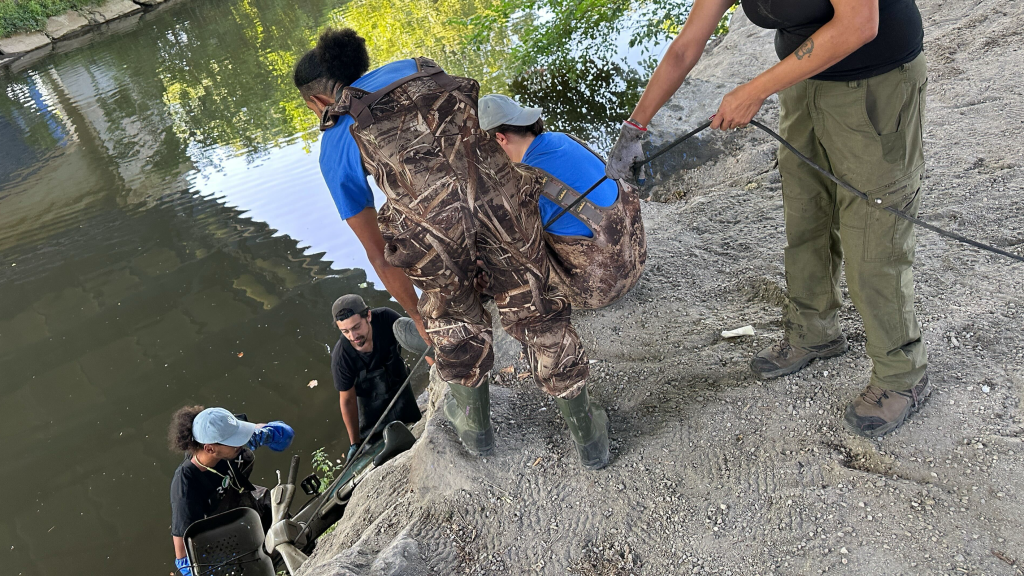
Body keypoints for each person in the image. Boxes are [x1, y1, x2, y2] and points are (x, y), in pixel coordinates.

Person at [607, 0, 928, 437]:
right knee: (807, 218)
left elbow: (859, 24)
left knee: (874, 239)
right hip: (803, 82)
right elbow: (686, 45)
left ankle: (902, 375)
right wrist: (634, 129)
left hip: (876, 83)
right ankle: (815, 332)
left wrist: (755, 90)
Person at [293, 28, 609, 469]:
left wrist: (418, 315)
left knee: (451, 319)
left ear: (317, 101)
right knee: (537, 310)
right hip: (502, 205)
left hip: (436, 237)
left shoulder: (336, 140)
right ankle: (588, 436)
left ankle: (476, 430)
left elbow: (379, 253)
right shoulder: (419, 69)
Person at [477, 94, 647, 310]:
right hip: (636, 255)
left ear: (500, 139)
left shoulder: (525, 183)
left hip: (602, 289)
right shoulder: (562, 138)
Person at [168, 406, 294, 576]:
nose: (241, 442)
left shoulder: (224, 431)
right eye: (235, 440)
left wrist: (269, 433)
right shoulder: (186, 485)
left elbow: (280, 433)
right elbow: (183, 555)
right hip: (225, 536)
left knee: (287, 525)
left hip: (249, 505)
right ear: (210, 449)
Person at [330, 294, 423, 461]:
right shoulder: (341, 358)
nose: (353, 336)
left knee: (415, 426)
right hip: (371, 406)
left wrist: (436, 369)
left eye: (356, 327)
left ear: (368, 316)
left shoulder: (387, 318)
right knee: (379, 449)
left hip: (401, 388)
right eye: (345, 331)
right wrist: (354, 443)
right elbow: (347, 400)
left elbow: (419, 340)